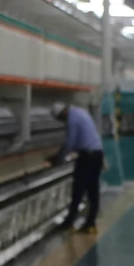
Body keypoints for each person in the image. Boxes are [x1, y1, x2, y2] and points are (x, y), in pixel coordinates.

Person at [48, 98, 105, 231]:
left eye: (60, 119)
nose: (62, 122)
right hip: (97, 153)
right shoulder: (80, 111)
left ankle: (69, 222)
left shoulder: (72, 118)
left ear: (62, 113)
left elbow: (70, 142)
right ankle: (91, 223)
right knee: (93, 189)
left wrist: (58, 158)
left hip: (88, 156)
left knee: (78, 189)